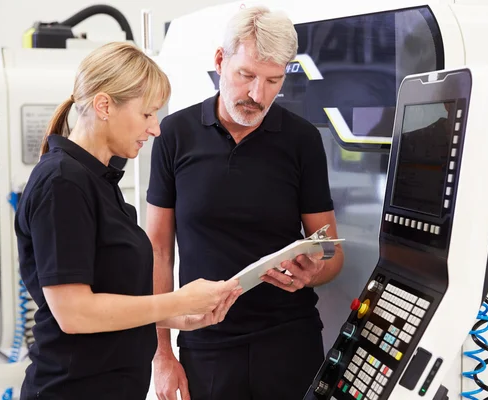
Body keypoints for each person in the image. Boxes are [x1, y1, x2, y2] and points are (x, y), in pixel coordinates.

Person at [14, 42, 242, 400]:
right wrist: (178, 302)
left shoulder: (98, 181)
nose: (156, 129)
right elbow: (74, 313)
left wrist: (182, 318)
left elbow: (110, 298)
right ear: (104, 105)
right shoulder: (62, 182)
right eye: (148, 114)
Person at [147, 6, 345, 400]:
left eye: (273, 80)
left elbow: (331, 253)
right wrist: (162, 355)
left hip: (290, 341)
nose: (258, 95)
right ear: (220, 60)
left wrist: (313, 272)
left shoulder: (302, 140)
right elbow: (158, 253)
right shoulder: (174, 135)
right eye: (247, 75)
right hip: (206, 345)